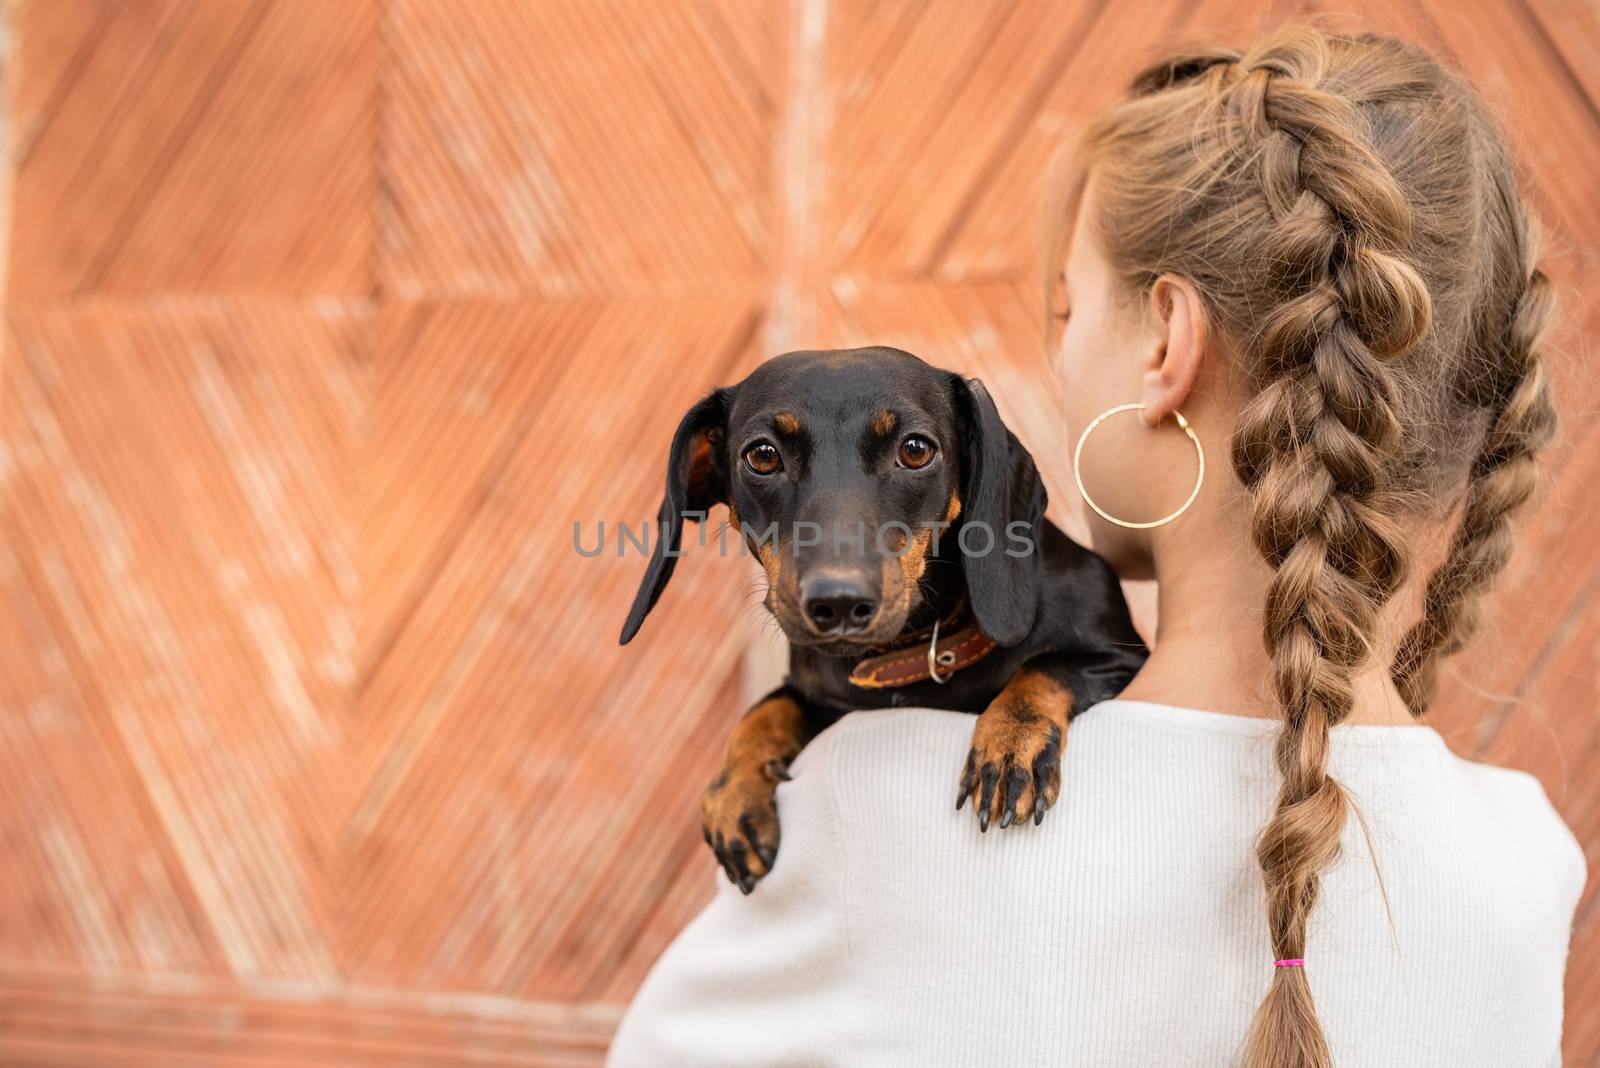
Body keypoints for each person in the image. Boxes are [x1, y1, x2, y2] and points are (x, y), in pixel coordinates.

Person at [606, 22, 1586, 1067]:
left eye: (1065, 311)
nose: (1056, 366)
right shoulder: (1530, 864)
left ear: (1167, 342)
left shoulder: (872, 807)